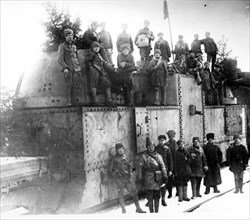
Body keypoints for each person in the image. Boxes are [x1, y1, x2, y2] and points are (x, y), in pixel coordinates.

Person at [108, 143, 146, 213]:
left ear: (123, 149)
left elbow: (130, 166)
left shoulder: (126, 157)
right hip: (120, 180)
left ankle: (138, 208)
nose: (120, 151)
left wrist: (131, 172)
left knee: (134, 193)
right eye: (118, 149)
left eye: (121, 149)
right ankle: (123, 210)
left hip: (127, 178)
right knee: (121, 195)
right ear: (116, 150)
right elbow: (110, 170)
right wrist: (116, 176)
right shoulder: (114, 159)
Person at [138, 140, 167, 213]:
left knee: (157, 196)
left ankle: (156, 212)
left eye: (152, 147)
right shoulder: (144, 157)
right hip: (148, 178)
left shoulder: (159, 156)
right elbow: (139, 168)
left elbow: (163, 166)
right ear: (147, 148)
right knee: (150, 197)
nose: (151, 148)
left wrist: (165, 176)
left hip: (157, 178)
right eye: (149, 147)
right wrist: (140, 178)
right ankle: (151, 212)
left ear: (154, 147)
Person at [84, 41, 116, 107]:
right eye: (95, 47)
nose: (96, 49)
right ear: (92, 48)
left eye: (98, 47)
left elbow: (104, 62)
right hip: (94, 70)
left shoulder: (99, 55)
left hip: (100, 71)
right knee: (93, 84)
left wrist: (112, 67)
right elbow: (87, 61)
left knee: (107, 83)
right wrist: (90, 67)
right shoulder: (91, 53)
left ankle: (109, 100)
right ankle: (94, 101)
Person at [57, 28, 81, 106]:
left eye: (71, 35)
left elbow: (76, 57)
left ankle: (75, 101)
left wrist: (79, 67)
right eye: (68, 35)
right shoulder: (62, 46)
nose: (70, 37)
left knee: (76, 85)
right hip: (68, 68)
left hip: (76, 68)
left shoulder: (74, 46)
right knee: (69, 85)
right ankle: (69, 101)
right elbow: (60, 59)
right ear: (65, 37)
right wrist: (65, 68)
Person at [155, 135, 173, 206]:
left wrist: (170, 170)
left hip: (165, 169)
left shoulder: (167, 149)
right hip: (157, 170)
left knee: (164, 184)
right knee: (156, 184)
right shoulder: (156, 148)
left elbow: (170, 160)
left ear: (165, 141)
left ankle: (163, 199)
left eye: (163, 140)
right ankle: (156, 199)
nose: (161, 142)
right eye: (160, 140)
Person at [166, 130, 178, 198]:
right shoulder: (166, 145)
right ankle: (170, 193)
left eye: (172, 136)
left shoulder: (177, 144)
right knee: (169, 180)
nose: (171, 138)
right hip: (169, 164)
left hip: (176, 164)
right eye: (170, 137)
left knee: (177, 178)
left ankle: (177, 192)